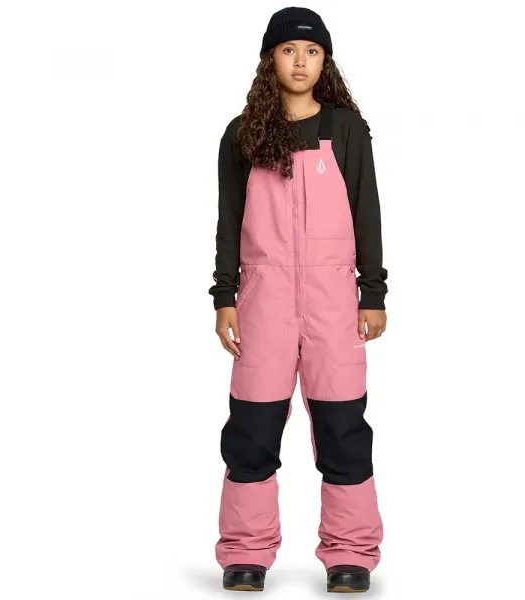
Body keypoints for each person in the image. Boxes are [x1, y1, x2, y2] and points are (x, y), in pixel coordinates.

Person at [209, 6, 388, 593]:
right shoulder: (242, 134)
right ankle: (246, 551)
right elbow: (229, 220)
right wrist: (225, 296)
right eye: (289, 50)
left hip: (334, 301)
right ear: (271, 60)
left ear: (325, 61)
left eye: (312, 51)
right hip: (263, 301)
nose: (301, 61)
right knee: (252, 428)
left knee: (343, 428)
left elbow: (367, 212)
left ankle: (350, 553)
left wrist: (373, 291)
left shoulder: (346, 129)